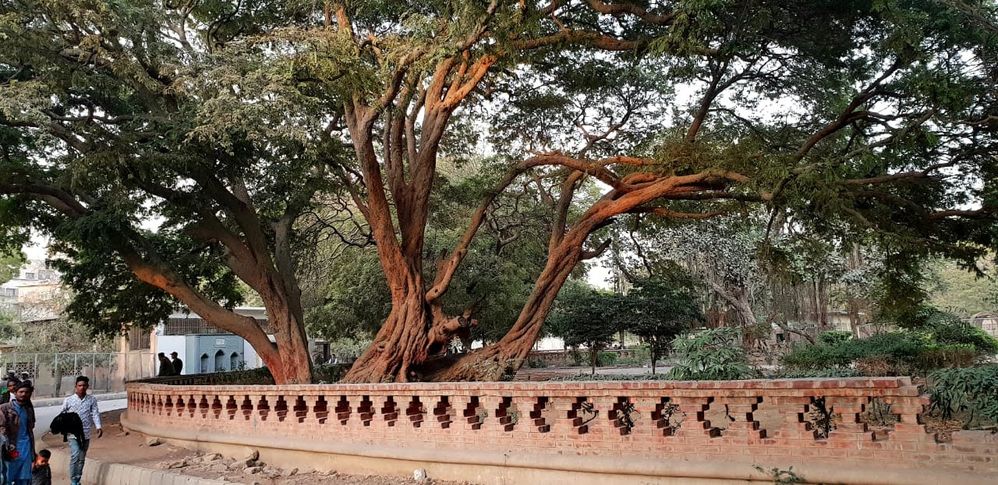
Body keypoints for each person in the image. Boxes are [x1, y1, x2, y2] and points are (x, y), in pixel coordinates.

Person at [60, 376, 101, 485]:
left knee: (81, 458)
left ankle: (78, 479)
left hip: (86, 433)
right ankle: (73, 480)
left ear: (87, 386)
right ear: (75, 387)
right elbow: (62, 415)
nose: (82, 387)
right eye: (79, 385)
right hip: (72, 434)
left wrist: (98, 426)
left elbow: (95, 413)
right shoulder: (69, 400)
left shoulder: (91, 400)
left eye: (84, 385)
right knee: (75, 455)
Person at [0, 380, 36, 485]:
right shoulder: (5, 408)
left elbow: (31, 427)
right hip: (10, 448)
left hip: (26, 448)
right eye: (21, 392)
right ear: (15, 393)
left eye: (26, 392)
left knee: (24, 478)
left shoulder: (29, 409)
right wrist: (7, 444)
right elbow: (2, 428)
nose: (24, 394)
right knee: (8, 476)